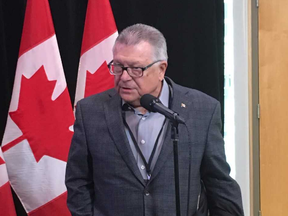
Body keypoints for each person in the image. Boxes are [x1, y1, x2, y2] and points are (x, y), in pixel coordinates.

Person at [65, 23, 244, 216]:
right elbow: (78, 182)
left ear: (161, 69)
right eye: (118, 67)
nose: (124, 77)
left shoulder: (202, 110)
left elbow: (219, 184)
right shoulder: (90, 111)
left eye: (136, 69)